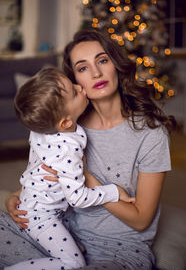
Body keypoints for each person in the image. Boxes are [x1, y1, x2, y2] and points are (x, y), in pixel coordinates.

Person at [0, 30, 176, 270]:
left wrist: (88, 178)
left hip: (118, 251)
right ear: (75, 81)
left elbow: (141, 219)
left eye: (102, 60)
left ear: (116, 64)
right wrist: (14, 197)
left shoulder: (150, 134)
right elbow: (45, 175)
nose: (96, 73)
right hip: (63, 234)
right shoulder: (66, 126)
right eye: (83, 68)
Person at [5, 67, 134, 270]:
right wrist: (112, 191)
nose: (80, 86)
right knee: (73, 263)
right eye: (75, 91)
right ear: (65, 122)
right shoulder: (67, 151)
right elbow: (78, 198)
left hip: (34, 203)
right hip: (42, 217)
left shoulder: (41, 127)